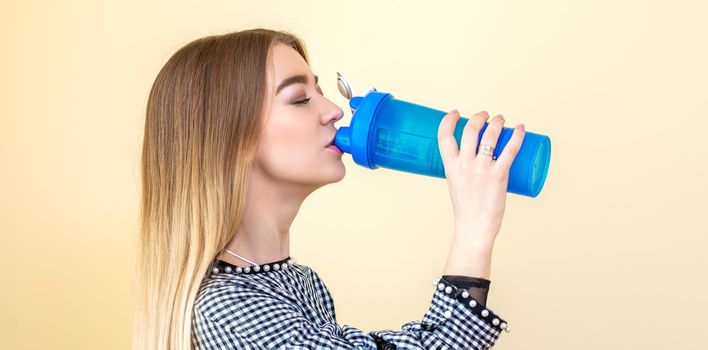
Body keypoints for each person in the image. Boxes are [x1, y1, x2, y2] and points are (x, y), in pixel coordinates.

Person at [135, 28, 526, 350]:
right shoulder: (227, 310)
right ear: (231, 140)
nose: (334, 111)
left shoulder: (299, 283)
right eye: (300, 99)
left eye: (320, 91)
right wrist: (475, 230)